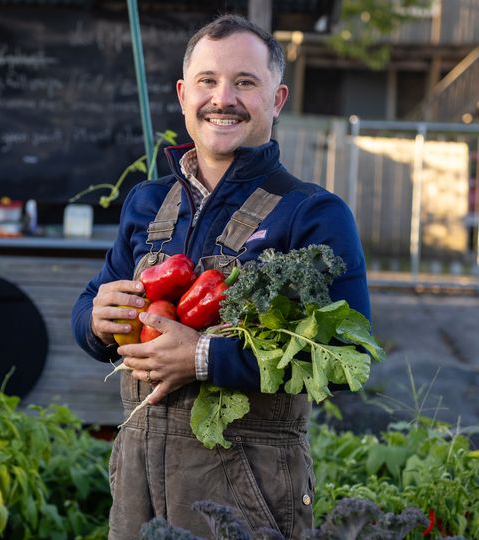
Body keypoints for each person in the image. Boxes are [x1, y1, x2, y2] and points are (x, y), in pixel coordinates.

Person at [71, 14, 370, 540]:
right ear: (185, 95)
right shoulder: (146, 203)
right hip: (139, 478)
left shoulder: (313, 214)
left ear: (276, 100)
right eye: (208, 81)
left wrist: (205, 358)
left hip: (248, 488)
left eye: (245, 82)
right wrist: (96, 321)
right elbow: (89, 305)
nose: (223, 97)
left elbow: (348, 356)